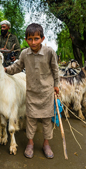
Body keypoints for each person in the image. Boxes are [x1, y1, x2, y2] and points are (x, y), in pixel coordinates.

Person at [4, 23, 59, 159]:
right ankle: (30, 143)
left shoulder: (49, 52)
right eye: (30, 39)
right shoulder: (24, 54)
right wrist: (5, 70)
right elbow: (17, 67)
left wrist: (56, 85)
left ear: (42, 38)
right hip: (32, 92)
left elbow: (55, 70)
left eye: (36, 39)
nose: (33, 42)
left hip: (46, 93)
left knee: (46, 120)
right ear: (26, 39)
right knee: (31, 119)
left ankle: (46, 144)